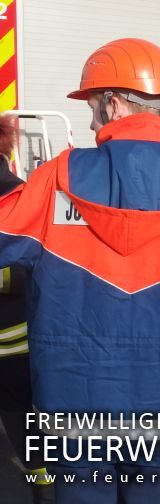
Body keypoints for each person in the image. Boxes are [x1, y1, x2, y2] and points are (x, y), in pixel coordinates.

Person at [0, 38, 160, 503]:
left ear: (115, 104)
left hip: (76, 409)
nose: (93, 121)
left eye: (95, 108)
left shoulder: (55, 179)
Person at [0, 115, 53, 503]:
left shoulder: (15, 196)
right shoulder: (19, 193)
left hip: (12, 344)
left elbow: (29, 270)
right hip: (15, 345)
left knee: (23, 420)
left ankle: (44, 487)